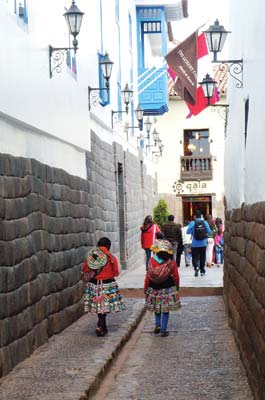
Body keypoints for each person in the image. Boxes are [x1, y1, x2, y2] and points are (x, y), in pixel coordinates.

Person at [81, 237, 125, 337]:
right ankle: (100, 326)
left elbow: (85, 269)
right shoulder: (112, 258)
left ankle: (102, 326)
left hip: (94, 284)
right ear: (108, 246)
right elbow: (116, 273)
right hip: (107, 285)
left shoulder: (91, 257)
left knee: (99, 306)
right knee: (103, 306)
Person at [144, 239, 181, 337]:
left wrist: (145, 288)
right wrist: (176, 287)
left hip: (154, 288)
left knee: (157, 308)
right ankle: (164, 330)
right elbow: (176, 276)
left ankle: (157, 325)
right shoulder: (171, 262)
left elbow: (148, 276)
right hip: (167, 288)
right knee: (165, 309)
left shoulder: (152, 261)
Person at [187, 210, 212, 277]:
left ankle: (196, 267)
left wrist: (193, 231)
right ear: (201, 216)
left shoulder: (193, 223)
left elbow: (187, 232)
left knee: (195, 257)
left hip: (194, 244)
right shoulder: (205, 222)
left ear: (195, 216)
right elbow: (210, 232)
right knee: (202, 257)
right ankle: (202, 271)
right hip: (203, 243)